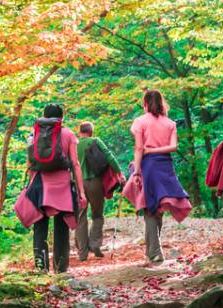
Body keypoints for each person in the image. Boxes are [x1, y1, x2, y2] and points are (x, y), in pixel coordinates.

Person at [13, 104, 87, 273]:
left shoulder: (34, 134)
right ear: (61, 118)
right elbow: (75, 164)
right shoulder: (68, 133)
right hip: (62, 185)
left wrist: (31, 184)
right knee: (61, 228)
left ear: (44, 116)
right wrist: (81, 192)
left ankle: (41, 267)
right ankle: (61, 269)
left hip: (40, 185)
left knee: (40, 227)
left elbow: (30, 163)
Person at [126, 89, 191, 264]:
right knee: (159, 207)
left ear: (145, 104)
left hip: (148, 165)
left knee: (149, 208)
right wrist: (155, 150)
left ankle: (155, 252)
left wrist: (137, 171)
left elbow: (139, 148)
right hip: (165, 165)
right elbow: (173, 147)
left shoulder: (140, 121)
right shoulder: (170, 123)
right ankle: (152, 251)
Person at [75, 121, 125, 261]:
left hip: (79, 184)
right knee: (97, 215)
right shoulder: (96, 141)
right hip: (96, 183)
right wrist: (119, 173)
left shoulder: (74, 144)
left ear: (80, 132)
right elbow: (110, 157)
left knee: (80, 218)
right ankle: (95, 243)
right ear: (91, 132)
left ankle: (82, 253)